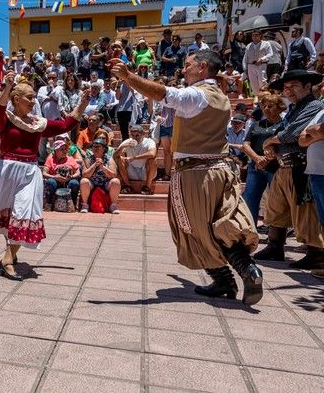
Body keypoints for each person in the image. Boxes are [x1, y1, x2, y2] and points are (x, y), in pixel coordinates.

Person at [111, 51, 263, 305]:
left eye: (188, 64)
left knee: (189, 228)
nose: (184, 69)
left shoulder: (196, 95)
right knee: (221, 223)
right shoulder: (221, 97)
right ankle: (238, 273)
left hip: (194, 174)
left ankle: (236, 273)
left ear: (202, 67)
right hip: (219, 170)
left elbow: (164, 94)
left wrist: (129, 77)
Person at [0, 71, 88, 281]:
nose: (33, 100)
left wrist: (83, 102)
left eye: (35, 97)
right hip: (5, 170)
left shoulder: (37, 123)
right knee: (6, 213)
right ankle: (10, 252)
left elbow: (65, 125)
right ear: (16, 99)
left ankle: (8, 258)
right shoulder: (6, 118)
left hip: (29, 172)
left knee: (24, 212)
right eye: (29, 97)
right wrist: (7, 86)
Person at [254, 70, 324, 269]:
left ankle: (316, 252)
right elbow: (280, 132)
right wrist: (271, 144)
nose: (288, 90)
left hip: (300, 166)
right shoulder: (294, 108)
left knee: (304, 211)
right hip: (283, 164)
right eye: (285, 87)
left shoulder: (314, 106)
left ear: (308, 86)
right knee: (276, 207)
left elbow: (293, 134)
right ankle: (275, 247)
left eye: (293, 85)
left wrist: (271, 140)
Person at [241, 92, 284, 226]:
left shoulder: (284, 125)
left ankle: (274, 235)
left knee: (275, 201)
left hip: (276, 167)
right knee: (250, 199)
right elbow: (245, 144)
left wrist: (266, 159)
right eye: (264, 106)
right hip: (255, 167)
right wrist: (257, 158)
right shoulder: (256, 124)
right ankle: (250, 230)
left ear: (278, 107)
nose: (266, 109)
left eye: (270, 106)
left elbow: (283, 143)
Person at [299, 100, 324, 278]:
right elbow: (301, 138)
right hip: (316, 173)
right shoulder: (321, 111)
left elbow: (319, 130)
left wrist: (315, 131)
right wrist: (315, 131)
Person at [78, 137, 120, 213]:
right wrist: (94, 166)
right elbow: (84, 175)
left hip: (106, 183)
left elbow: (114, 174)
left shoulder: (109, 159)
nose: (95, 149)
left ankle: (113, 206)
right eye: (93, 147)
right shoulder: (88, 159)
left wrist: (102, 167)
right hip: (92, 183)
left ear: (104, 149)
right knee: (84, 181)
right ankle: (85, 205)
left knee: (116, 181)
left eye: (98, 147)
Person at [114, 124, 157, 195]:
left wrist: (134, 157)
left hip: (145, 171)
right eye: (133, 136)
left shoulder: (149, 142)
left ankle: (147, 187)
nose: (134, 138)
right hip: (131, 171)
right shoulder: (127, 142)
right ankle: (128, 186)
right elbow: (114, 156)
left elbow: (152, 154)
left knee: (153, 160)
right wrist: (122, 147)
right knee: (119, 159)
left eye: (137, 135)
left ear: (143, 134)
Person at [43, 139, 80, 209]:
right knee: (50, 182)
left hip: (68, 180)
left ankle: (73, 204)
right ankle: (49, 203)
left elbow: (78, 172)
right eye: (62, 149)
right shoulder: (50, 159)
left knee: (74, 183)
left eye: (66, 149)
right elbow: (44, 173)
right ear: (56, 150)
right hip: (56, 181)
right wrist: (55, 177)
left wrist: (71, 177)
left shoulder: (71, 159)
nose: (65, 151)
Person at [243, 30, 272, 97]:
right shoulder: (248, 45)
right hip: (250, 65)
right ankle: (257, 98)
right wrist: (245, 68)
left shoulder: (266, 44)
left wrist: (262, 59)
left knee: (262, 81)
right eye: (253, 35)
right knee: (253, 84)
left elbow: (270, 54)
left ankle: (264, 97)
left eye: (256, 35)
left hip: (261, 65)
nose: (254, 37)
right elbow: (245, 57)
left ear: (260, 35)